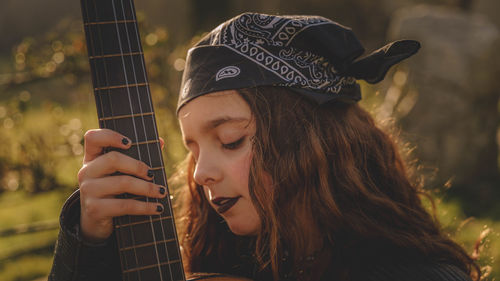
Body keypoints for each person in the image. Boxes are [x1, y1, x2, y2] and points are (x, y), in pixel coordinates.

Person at [49, 13, 480, 281]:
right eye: (193, 149)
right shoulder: (219, 260)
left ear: (313, 142)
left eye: (231, 141)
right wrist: (90, 248)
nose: (199, 174)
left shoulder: (421, 275)